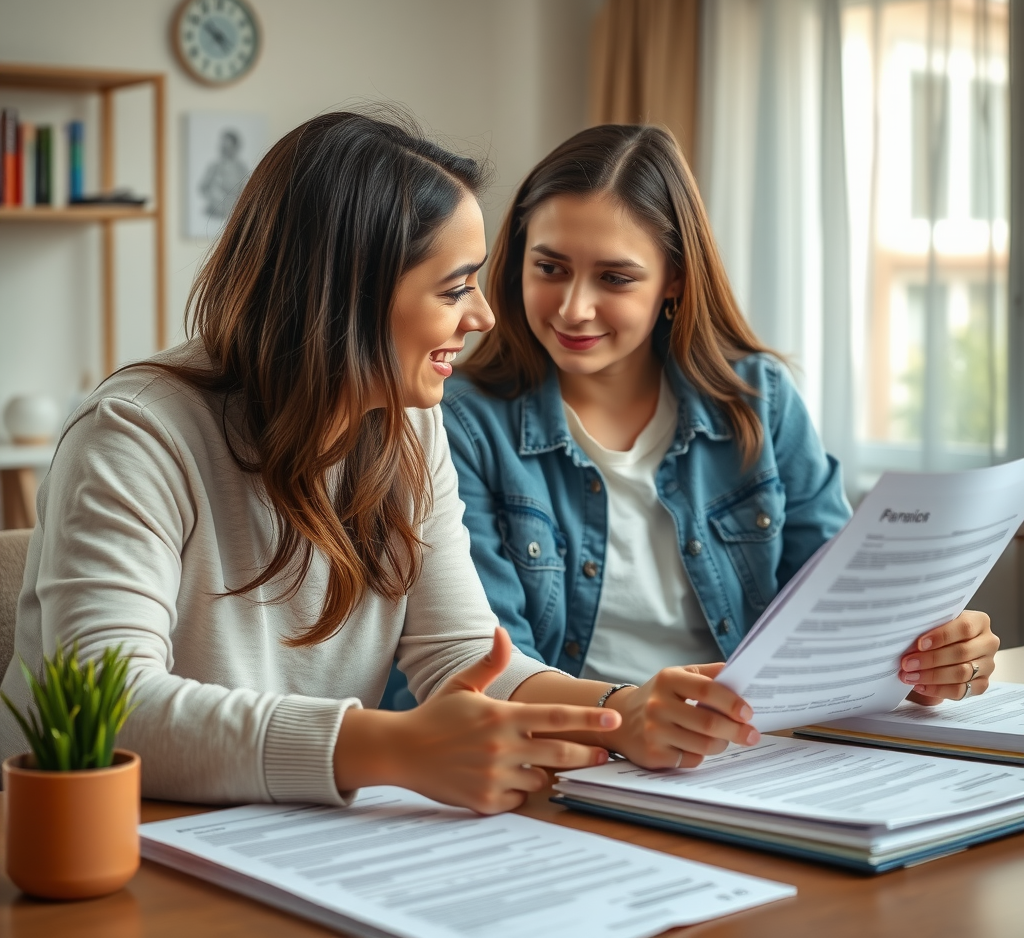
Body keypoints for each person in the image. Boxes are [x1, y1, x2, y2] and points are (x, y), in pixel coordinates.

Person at [0, 112, 763, 813]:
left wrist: (618, 711)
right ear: (346, 299)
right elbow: (107, 710)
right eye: (455, 287)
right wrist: (390, 746)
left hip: (297, 837)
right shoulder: (136, 432)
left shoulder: (407, 425)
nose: (485, 317)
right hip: (117, 843)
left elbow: (464, 655)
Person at [423, 123, 998, 723]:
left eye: (614, 278)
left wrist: (922, 660)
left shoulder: (760, 400)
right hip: (578, 747)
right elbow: (490, 666)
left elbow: (843, 612)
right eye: (551, 268)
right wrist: (627, 722)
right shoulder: (462, 424)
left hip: (753, 742)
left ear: (673, 278)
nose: (573, 307)